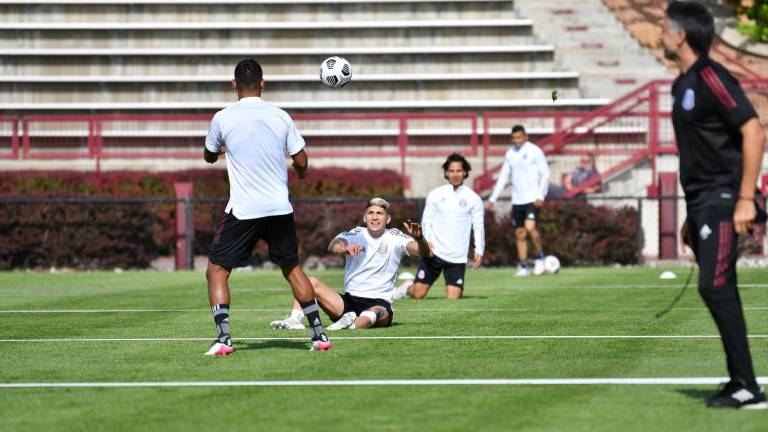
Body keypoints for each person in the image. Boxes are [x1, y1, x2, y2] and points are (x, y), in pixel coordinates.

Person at [663, 1, 766, 409]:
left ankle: (748, 387)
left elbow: (753, 132)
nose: (659, 32)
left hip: (725, 198)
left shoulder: (712, 76)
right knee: (720, 288)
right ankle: (740, 381)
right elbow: (699, 153)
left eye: (663, 25)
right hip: (703, 202)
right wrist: (691, 213)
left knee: (714, 285)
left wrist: (745, 198)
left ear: (681, 34)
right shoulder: (680, 84)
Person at [203, 58, 331, 355]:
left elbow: (209, 156)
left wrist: (222, 151)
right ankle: (319, 335)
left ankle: (224, 340)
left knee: (217, 271)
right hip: (278, 207)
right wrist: (300, 173)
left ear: (234, 84)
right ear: (262, 83)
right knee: (292, 269)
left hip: (244, 209)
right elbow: (301, 159)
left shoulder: (222, 118)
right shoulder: (280, 116)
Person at [270, 198, 431, 330]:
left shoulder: (396, 237)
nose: (375, 217)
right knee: (309, 281)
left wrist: (419, 238)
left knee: (375, 312)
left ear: (387, 218)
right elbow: (334, 244)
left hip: (378, 303)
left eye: (380, 213)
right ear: (365, 217)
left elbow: (425, 252)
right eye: (371, 213)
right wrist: (344, 248)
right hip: (347, 303)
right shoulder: (355, 233)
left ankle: (352, 325)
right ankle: (295, 320)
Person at [395, 153, 484, 300]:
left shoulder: (474, 198)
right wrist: (426, 242)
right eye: (451, 171)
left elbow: (479, 226)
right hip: (434, 252)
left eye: (459, 171)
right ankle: (407, 287)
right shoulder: (436, 194)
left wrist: (479, 249)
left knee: (453, 298)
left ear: (465, 172)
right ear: (446, 173)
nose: (455, 174)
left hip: (457, 256)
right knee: (418, 294)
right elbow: (426, 220)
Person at [486, 125, 550, 276]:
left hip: (532, 198)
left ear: (526, 136)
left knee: (530, 227)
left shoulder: (534, 151)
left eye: (519, 137)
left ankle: (540, 259)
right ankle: (523, 266)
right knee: (520, 233)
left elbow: (545, 174)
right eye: (514, 138)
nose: (517, 140)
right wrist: (493, 198)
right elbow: (503, 177)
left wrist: (541, 195)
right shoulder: (510, 154)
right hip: (517, 200)